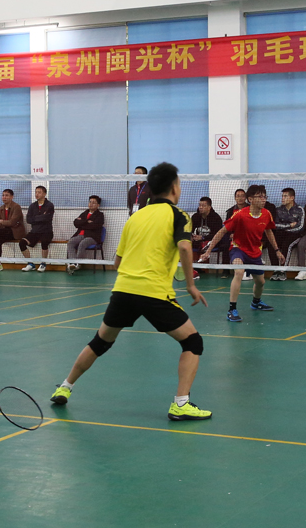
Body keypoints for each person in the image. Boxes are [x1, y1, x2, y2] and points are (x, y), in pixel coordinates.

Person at [50, 162, 212, 422]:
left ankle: (65, 387)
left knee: (100, 342)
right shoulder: (180, 215)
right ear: (174, 188)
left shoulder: (135, 217)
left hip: (123, 290)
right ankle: (181, 404)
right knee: (193, 342)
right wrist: (191, 285)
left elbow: (117, 262)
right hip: (154, 293)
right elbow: (184, 247)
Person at [200, 184, 283, 319]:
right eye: (260, 197)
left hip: (255, 251)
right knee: (239, 272)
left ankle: (256, 302)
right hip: (238, 249)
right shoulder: (240, 215)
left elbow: (268, 231)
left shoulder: (266, 214)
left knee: (261, 282)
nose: (263, 199)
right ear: (250, 199)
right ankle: (232, 309)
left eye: (264, 196)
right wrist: (208, 251)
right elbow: (222, 231)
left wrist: (277, 250)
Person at [269, 188, 304, 281]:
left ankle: (283, 271)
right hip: (282, 233)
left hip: (295, 234)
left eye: (285, 196)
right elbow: (275, 225)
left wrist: (286, 229)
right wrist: (289, 226)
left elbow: (300, 227)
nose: (282, 198)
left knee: (286, 245)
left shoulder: (300, 210)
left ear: (292, 198)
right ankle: (275, 270)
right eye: (282, 196)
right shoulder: (278, 210)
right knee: (271, 244)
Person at [19, 185, 55, 271]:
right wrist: (40, 217)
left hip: (46, 231)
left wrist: (35, 218)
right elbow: (28, 219)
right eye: (36, 192)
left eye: (39, 192)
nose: (37, 194)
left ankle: (43, 263)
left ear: (44, 194)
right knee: (22, 243)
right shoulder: (32, 206)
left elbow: (47, 218)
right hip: (35, 232)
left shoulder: (49, 205)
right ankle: (30, 263)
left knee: (44, 242)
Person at [66, 195, 104, 274]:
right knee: (70, 242)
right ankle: (72, 262)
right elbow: (76, 223)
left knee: (83, 243)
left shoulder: (100, 215)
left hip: (92, 237)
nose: (91, 204)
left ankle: (77, 263)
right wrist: (87, 221)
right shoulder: (84, 213)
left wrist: (82, 223)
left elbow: (94, 226)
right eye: (90, 202)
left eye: (93, 203)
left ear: (98, 205)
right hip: (80, 235)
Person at [190, 196, 225, 278]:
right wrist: (191, 236)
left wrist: (202, 238)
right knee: (187, 244)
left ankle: (200, 268)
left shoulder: (216, 218)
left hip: (212, 241)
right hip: (198, 241)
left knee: (204, 245)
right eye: (200, 205)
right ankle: (193, 269)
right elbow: (190, 230)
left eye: (203, 205)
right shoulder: (195, 217)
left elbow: (217, 235)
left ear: (209, 207)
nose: (201, 207)